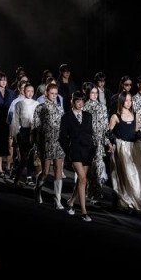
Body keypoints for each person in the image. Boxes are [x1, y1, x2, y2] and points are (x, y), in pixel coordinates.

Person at [59, 91, 96, 222]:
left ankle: (71, 201)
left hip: (87, 150)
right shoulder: (66, 117)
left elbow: (90, 133)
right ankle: (83, 211)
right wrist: (68, 151)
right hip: (74, 151)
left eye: (82, 101)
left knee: (82, 180)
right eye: (78, 101)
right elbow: (62, 137)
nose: (81, 103)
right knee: (82, 178)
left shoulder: (88, 116)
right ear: (73, 102)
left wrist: (93, 147)